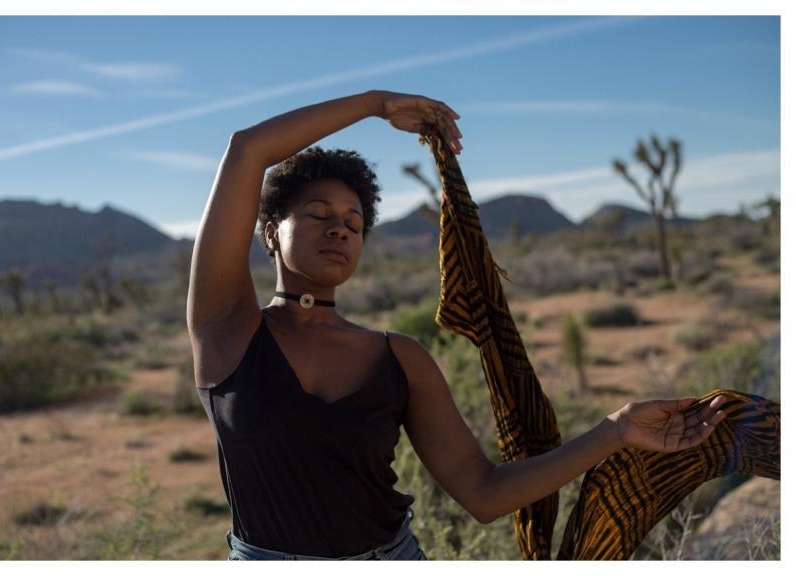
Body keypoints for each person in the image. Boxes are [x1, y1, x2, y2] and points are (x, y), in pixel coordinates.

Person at [187, 90, 727, 561]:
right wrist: (377, 104)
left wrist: (616, 429)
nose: (339, 230)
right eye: (317, 214)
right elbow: (246, 150)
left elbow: (483, 491)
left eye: (353, 222)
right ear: (269, 233)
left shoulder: (400, 358)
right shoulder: (227, 328)